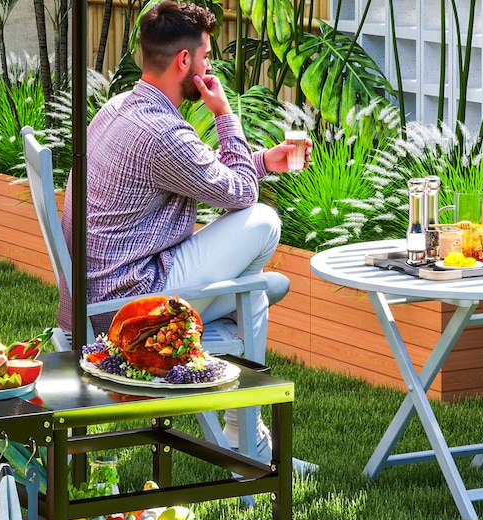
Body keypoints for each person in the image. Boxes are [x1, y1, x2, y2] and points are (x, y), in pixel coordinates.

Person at [58, 0, 314, 471]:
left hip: (94, 298)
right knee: (263, 223)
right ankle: (250, 444)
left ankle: (249, 428)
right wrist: (224, 113)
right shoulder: (162, 133)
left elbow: (207, 175)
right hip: (131, 310)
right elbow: (239, 194)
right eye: (207, 57)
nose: (210, 66)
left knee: (254, 295)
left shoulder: (119, 108)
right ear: (184, 62)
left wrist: (261, 160)